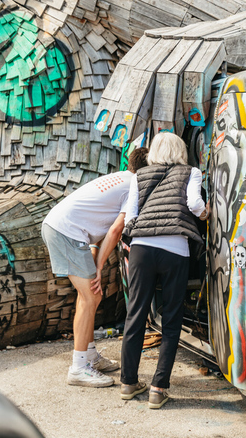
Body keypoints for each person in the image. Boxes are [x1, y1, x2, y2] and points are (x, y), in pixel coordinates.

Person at [42, 147, 149, 387]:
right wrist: (99, 269)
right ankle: (79, 368)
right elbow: (115, 230)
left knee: (92, 295)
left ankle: (89, 355)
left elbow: (97, 225)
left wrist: (94, 263)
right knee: (90, 297)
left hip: (66, 229)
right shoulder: (135, 187)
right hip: (66, 231)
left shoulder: (121, 178)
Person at [119, 132, 208, 409]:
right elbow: (194, 204)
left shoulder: (139, 175)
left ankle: (128, 383)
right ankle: (158, 389)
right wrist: (206, 215)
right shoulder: (191, 172)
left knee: (135, 314)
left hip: (141, 249)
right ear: (181, 150)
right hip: (174, 249)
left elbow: (131, 215)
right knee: (171, 320)